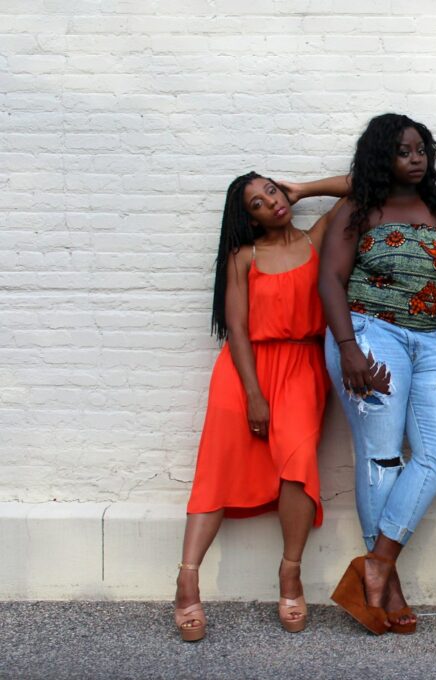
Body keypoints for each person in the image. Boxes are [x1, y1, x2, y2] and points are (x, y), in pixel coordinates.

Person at [319, 113, 436, 635]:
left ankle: (375, 566)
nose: (416, 158)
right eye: (404, 151)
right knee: (381, 453)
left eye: (422, 149)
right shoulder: (359, 208)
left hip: (428, 338)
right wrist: (349, 348)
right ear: (383, 157)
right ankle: (388, 587)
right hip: (368, 331)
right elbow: (330, 280)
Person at [175, 172, 349, 642]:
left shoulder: (318, 237)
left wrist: (304, 190)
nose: (270, 203)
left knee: (297, 464)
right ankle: (187, 577)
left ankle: (290, 574)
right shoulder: (243, 257)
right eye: (257, 203)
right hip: (244, 369)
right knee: (217, 468)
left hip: (301, 367)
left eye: (271, 190)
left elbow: (363, 184)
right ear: (246, 219)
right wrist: (253, 393)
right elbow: (236, 328)